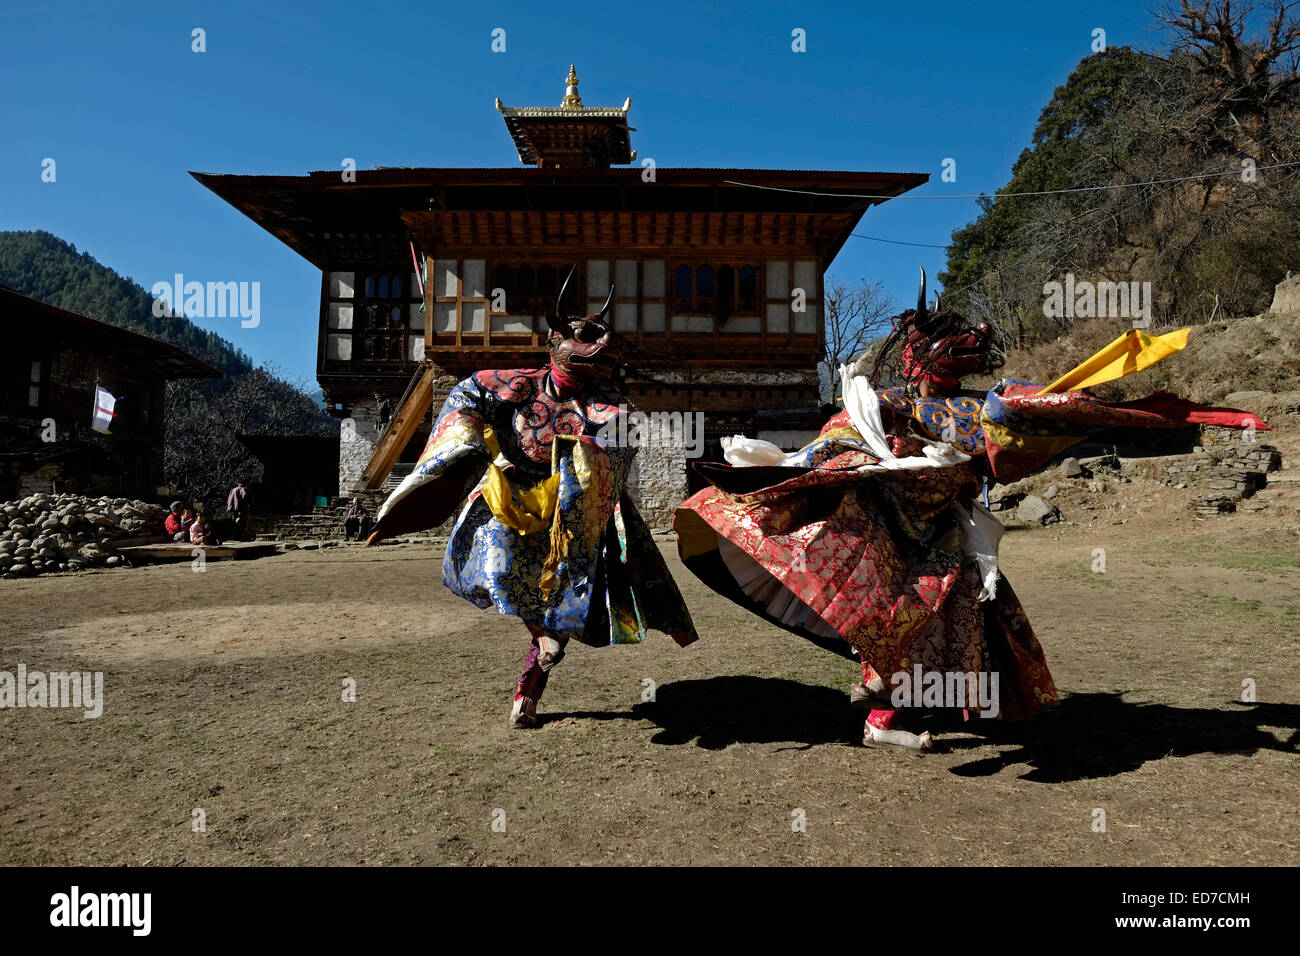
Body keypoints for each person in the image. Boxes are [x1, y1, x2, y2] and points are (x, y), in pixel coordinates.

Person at [674, 268, 1268, 751]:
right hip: (881, 521)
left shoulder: (979, 409)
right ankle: (881, 694)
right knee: (887, 608)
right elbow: (837, 444)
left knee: (941, 621)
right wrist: (806, 467)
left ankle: (884, 715)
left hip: (946, 535)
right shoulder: (898, 405)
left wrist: (1164, 414)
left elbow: (1036, 424)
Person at [367, 265, 697, 729]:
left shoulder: (607, 404)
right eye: (581, 336)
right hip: (508, 497)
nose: (595, 346)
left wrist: (589, 458)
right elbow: (463, 399)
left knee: (562, 602)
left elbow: (622, 443)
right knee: (499, 571)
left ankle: (527, 694)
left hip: (569, 514)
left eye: (599, 338)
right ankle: (542, 642)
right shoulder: (510, 383)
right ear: (554, 342)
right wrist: (469, 440)